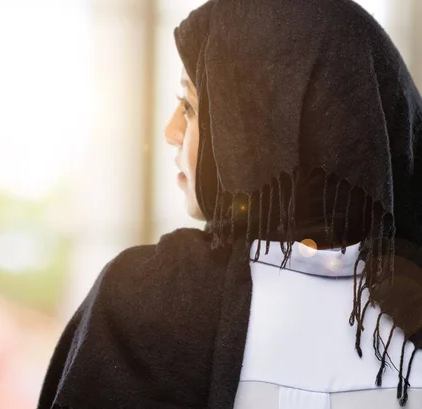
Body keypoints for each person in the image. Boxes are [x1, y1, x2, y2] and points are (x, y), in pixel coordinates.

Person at [38, 0, 422, 408]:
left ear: (261, 130)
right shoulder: (410, 308)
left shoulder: (148, 300)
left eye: (188, 107)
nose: (170, 131)